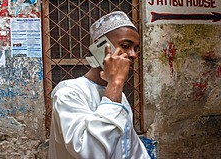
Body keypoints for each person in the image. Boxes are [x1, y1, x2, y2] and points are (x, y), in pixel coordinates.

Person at [48, 11, 150, 159]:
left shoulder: (119, 96)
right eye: (126, 45)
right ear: (100, 47)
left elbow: (132, 149)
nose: (133, 54)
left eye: (136, 48)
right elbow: (91, 153)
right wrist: (115, 83)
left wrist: (115, 87)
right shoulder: (68, 93)